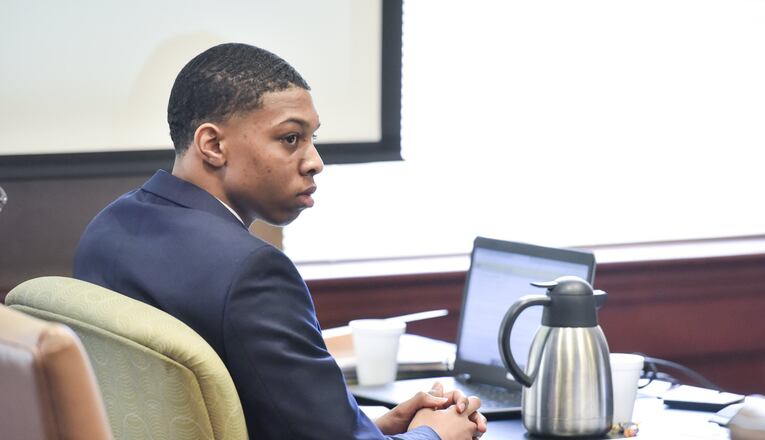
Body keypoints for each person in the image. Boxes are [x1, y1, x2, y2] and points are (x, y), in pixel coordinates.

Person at [73, 43, 486, 440]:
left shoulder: (108, 228)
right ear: (213, 145)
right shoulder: (253, 273)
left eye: (312, 138)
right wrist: (436, 433)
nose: (315, 162)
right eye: (290, 138)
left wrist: (374, 426)